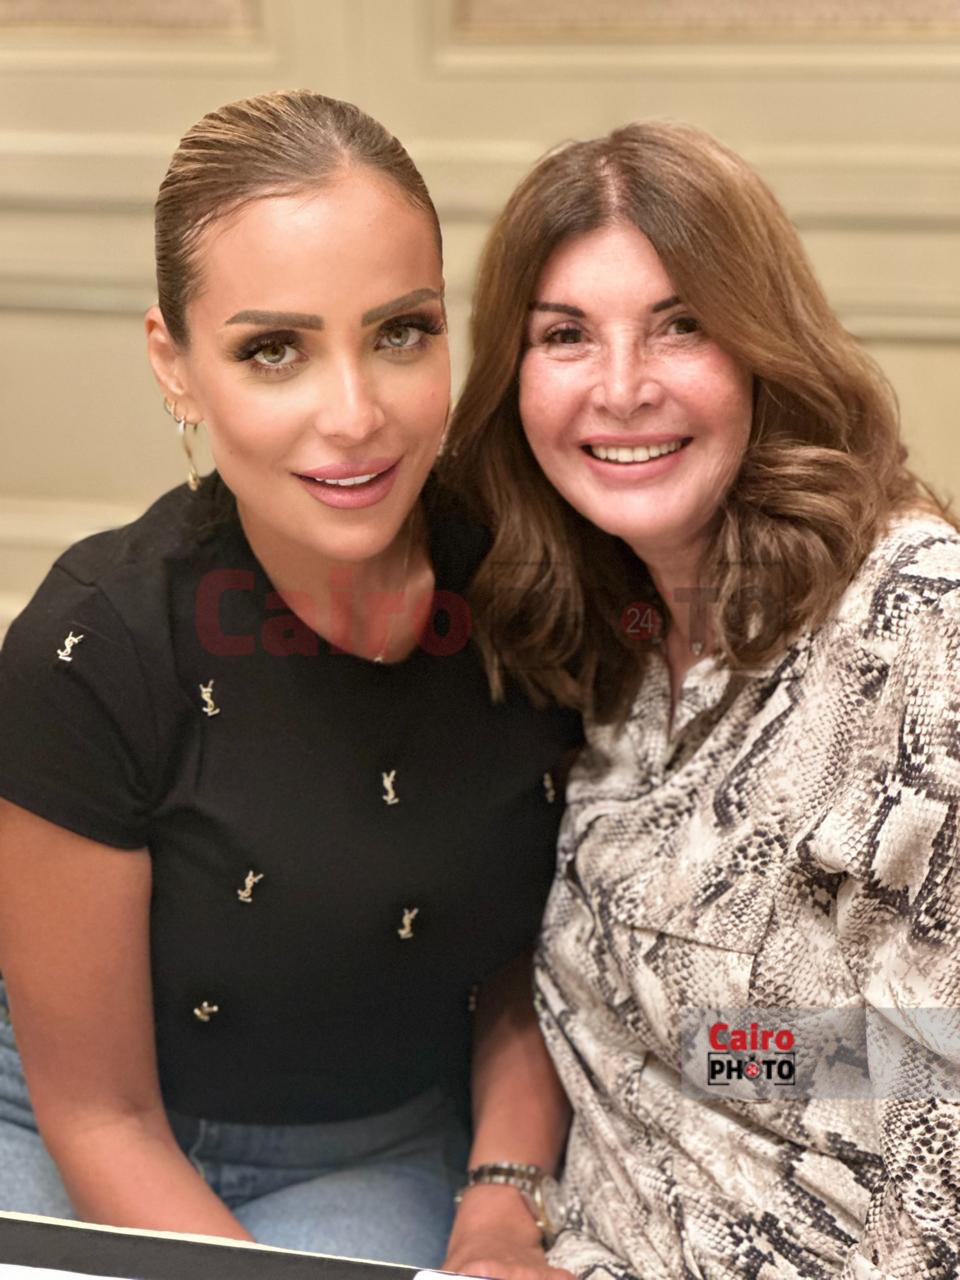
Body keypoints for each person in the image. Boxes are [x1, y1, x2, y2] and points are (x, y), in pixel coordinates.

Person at [0, 90, 581, 1272]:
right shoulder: (91, 645)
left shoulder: (533, 590)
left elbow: (535, 956)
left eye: (401, 332)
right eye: (275, 349)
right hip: (59, 1126)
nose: (355, 415)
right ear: (174, 365)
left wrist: (501, 1198)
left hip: (363, 1149)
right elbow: (102, 1113)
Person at [442, 120, 960, 1277]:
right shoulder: (582, 628)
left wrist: (714, 1045)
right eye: (565, 334)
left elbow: (934, 1084)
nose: (623, 388)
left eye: (681, 325)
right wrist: (507, 1201)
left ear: (765, 348)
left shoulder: (915, 620)